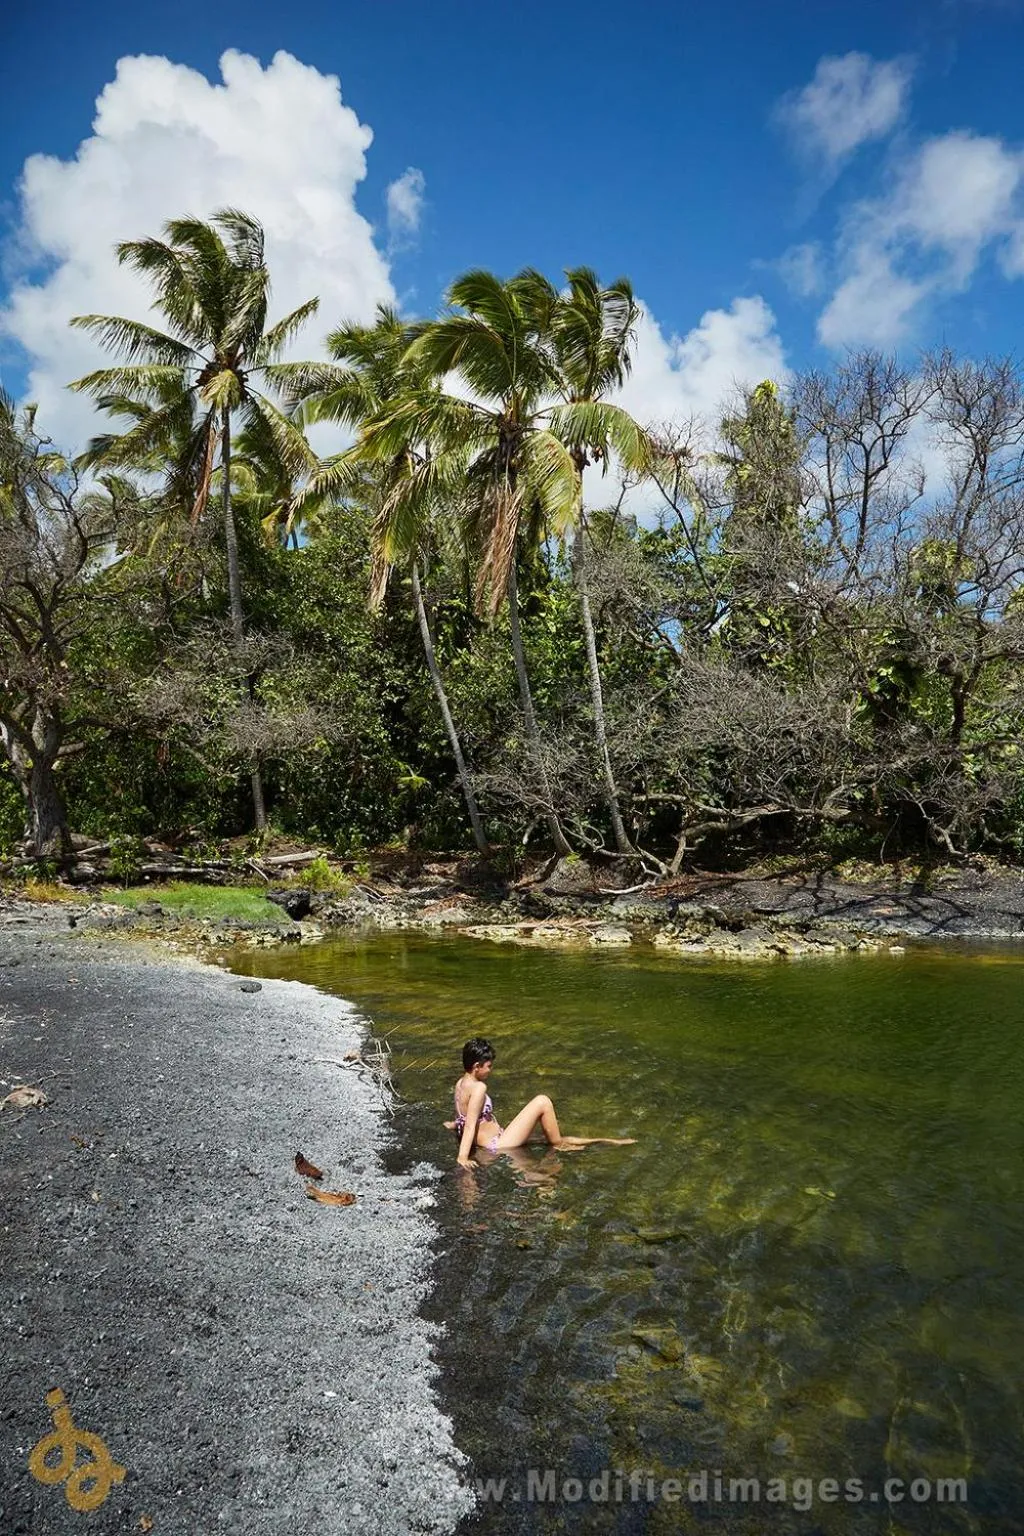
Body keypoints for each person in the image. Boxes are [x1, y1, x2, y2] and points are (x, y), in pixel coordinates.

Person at [451, 1037, 635, 1170]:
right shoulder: (478, 1088)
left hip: (496, 1140)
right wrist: (462, 1157)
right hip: (498, 1143)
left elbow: (464, 1117)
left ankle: (603, 1141)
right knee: (542, 1102)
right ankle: (560, 1145)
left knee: (543, 1138)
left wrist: (452, 1125)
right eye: (488, 1066)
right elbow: (469, 1126)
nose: (490, 1070)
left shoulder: (461, 1084)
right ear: (476, 1066)